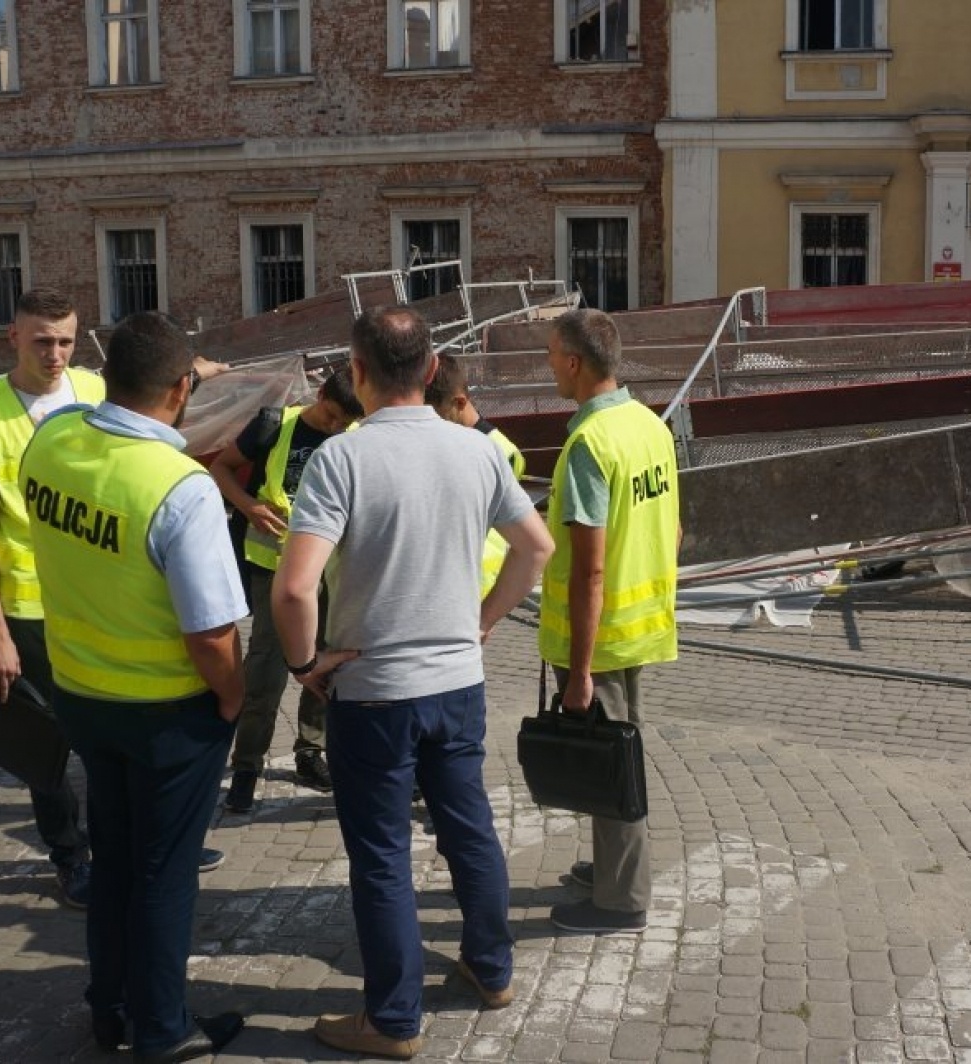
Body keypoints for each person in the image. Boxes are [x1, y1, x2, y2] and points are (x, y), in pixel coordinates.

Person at [272, 308, 554, 1060]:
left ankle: (394, 1020)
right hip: (458, 681)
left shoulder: (342, 460)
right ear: (432, 371)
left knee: (382, 855)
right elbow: (537, 549)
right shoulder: (478, 451)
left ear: (356, 372)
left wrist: (306, 665)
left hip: (373, 689)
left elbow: (294, 590)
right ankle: (491, 970)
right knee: (470, 830)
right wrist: (484, 621)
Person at [21, 311, 247, 1062]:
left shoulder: (51, 440)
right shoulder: (179, 487)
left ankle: (110, 1008)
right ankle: (161, 1028)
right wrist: (234, 698)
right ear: (183, 388)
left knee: (113, 862)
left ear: (104, 373)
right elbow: (212, 635)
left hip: (83, 695)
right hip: (167, 714)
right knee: (163, 875)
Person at [0, 288, 101, 908]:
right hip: (28, 606)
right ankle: (70, 856)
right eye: (42, 340)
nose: (56, 353)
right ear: (12, 336)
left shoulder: (94, 392)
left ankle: (117, 844)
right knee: (47, 740)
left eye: (66, 340)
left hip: (98, 598)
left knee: (106, 729)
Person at [538, 308, 680, 936]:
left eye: (551, 355)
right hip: (641, 625)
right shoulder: (649, 425)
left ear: (573, 361)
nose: (549, 366)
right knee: (617, 755)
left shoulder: (590, 446)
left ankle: (621, 900)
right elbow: (673, 529)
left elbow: (589, 572)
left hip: (601, 638)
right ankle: (611, 870)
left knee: (612, 764)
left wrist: (580, 673)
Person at [209, 366, 362, 812]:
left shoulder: (353, 437)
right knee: (266, 670)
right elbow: (221, 469)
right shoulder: (275, 425)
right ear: (319, 394)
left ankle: (310, 751)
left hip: (331, 571)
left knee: (325, 662)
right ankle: (246, 766)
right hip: (272, 568)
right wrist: (250, 506)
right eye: (331, 414)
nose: (335, 427)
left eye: (345, 423)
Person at [426, 353, 526, 597]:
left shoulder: (500, 450)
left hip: (479, 585)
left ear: (460, 403)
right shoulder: (449, 443)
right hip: (452, 583)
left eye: (438, 415)